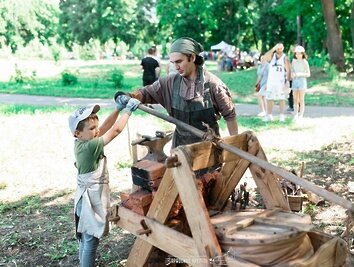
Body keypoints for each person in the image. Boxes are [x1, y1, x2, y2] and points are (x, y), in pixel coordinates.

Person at [118, 37, 238, 148]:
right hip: (180, 151)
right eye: (173, 62)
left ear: (192, 57)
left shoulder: (214, 85)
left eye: (179, 61)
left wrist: (235, 146)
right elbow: (146, 93)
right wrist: (128, 96)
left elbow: (230, 116)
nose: (176, 67)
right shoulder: (169, 83)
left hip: (208, 151)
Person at [68, 97, 140, 267]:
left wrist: (117, 109)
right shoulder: (90, 147)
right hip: (89, 200)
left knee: (86, 238)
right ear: (77, 133)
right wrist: (128, 111)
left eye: (95, 126)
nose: (96, 130)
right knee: (91, 242)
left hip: (85, 198)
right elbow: (114, 131)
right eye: (91, 128)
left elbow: (105, 128)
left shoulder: (84, 142)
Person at [264, 43, 291, 122]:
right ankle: (269, 115)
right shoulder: (272, 56)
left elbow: (288, 70)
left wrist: (288, 82)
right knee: (269, 98)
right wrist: (273, 49)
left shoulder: (285, 57)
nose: (279, 49)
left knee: (281, 98)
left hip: (281, 81)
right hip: (271, 81)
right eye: (277, 48)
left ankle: (281, 116)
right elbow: (265, 58)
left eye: (280, 48)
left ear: (283, 48)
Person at [290, 45, 310, 121]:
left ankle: (301, 115)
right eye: (296, 53)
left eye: (299, 53)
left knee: (301, 99)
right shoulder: (294, 61)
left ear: (302, 54)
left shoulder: (305, 62)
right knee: (295, 99)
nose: (297, 55)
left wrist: (300, 74)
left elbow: (308, 74)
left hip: (302, 81)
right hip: (295, 81)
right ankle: (295, 114)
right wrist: (292, 74)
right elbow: (292, 70)